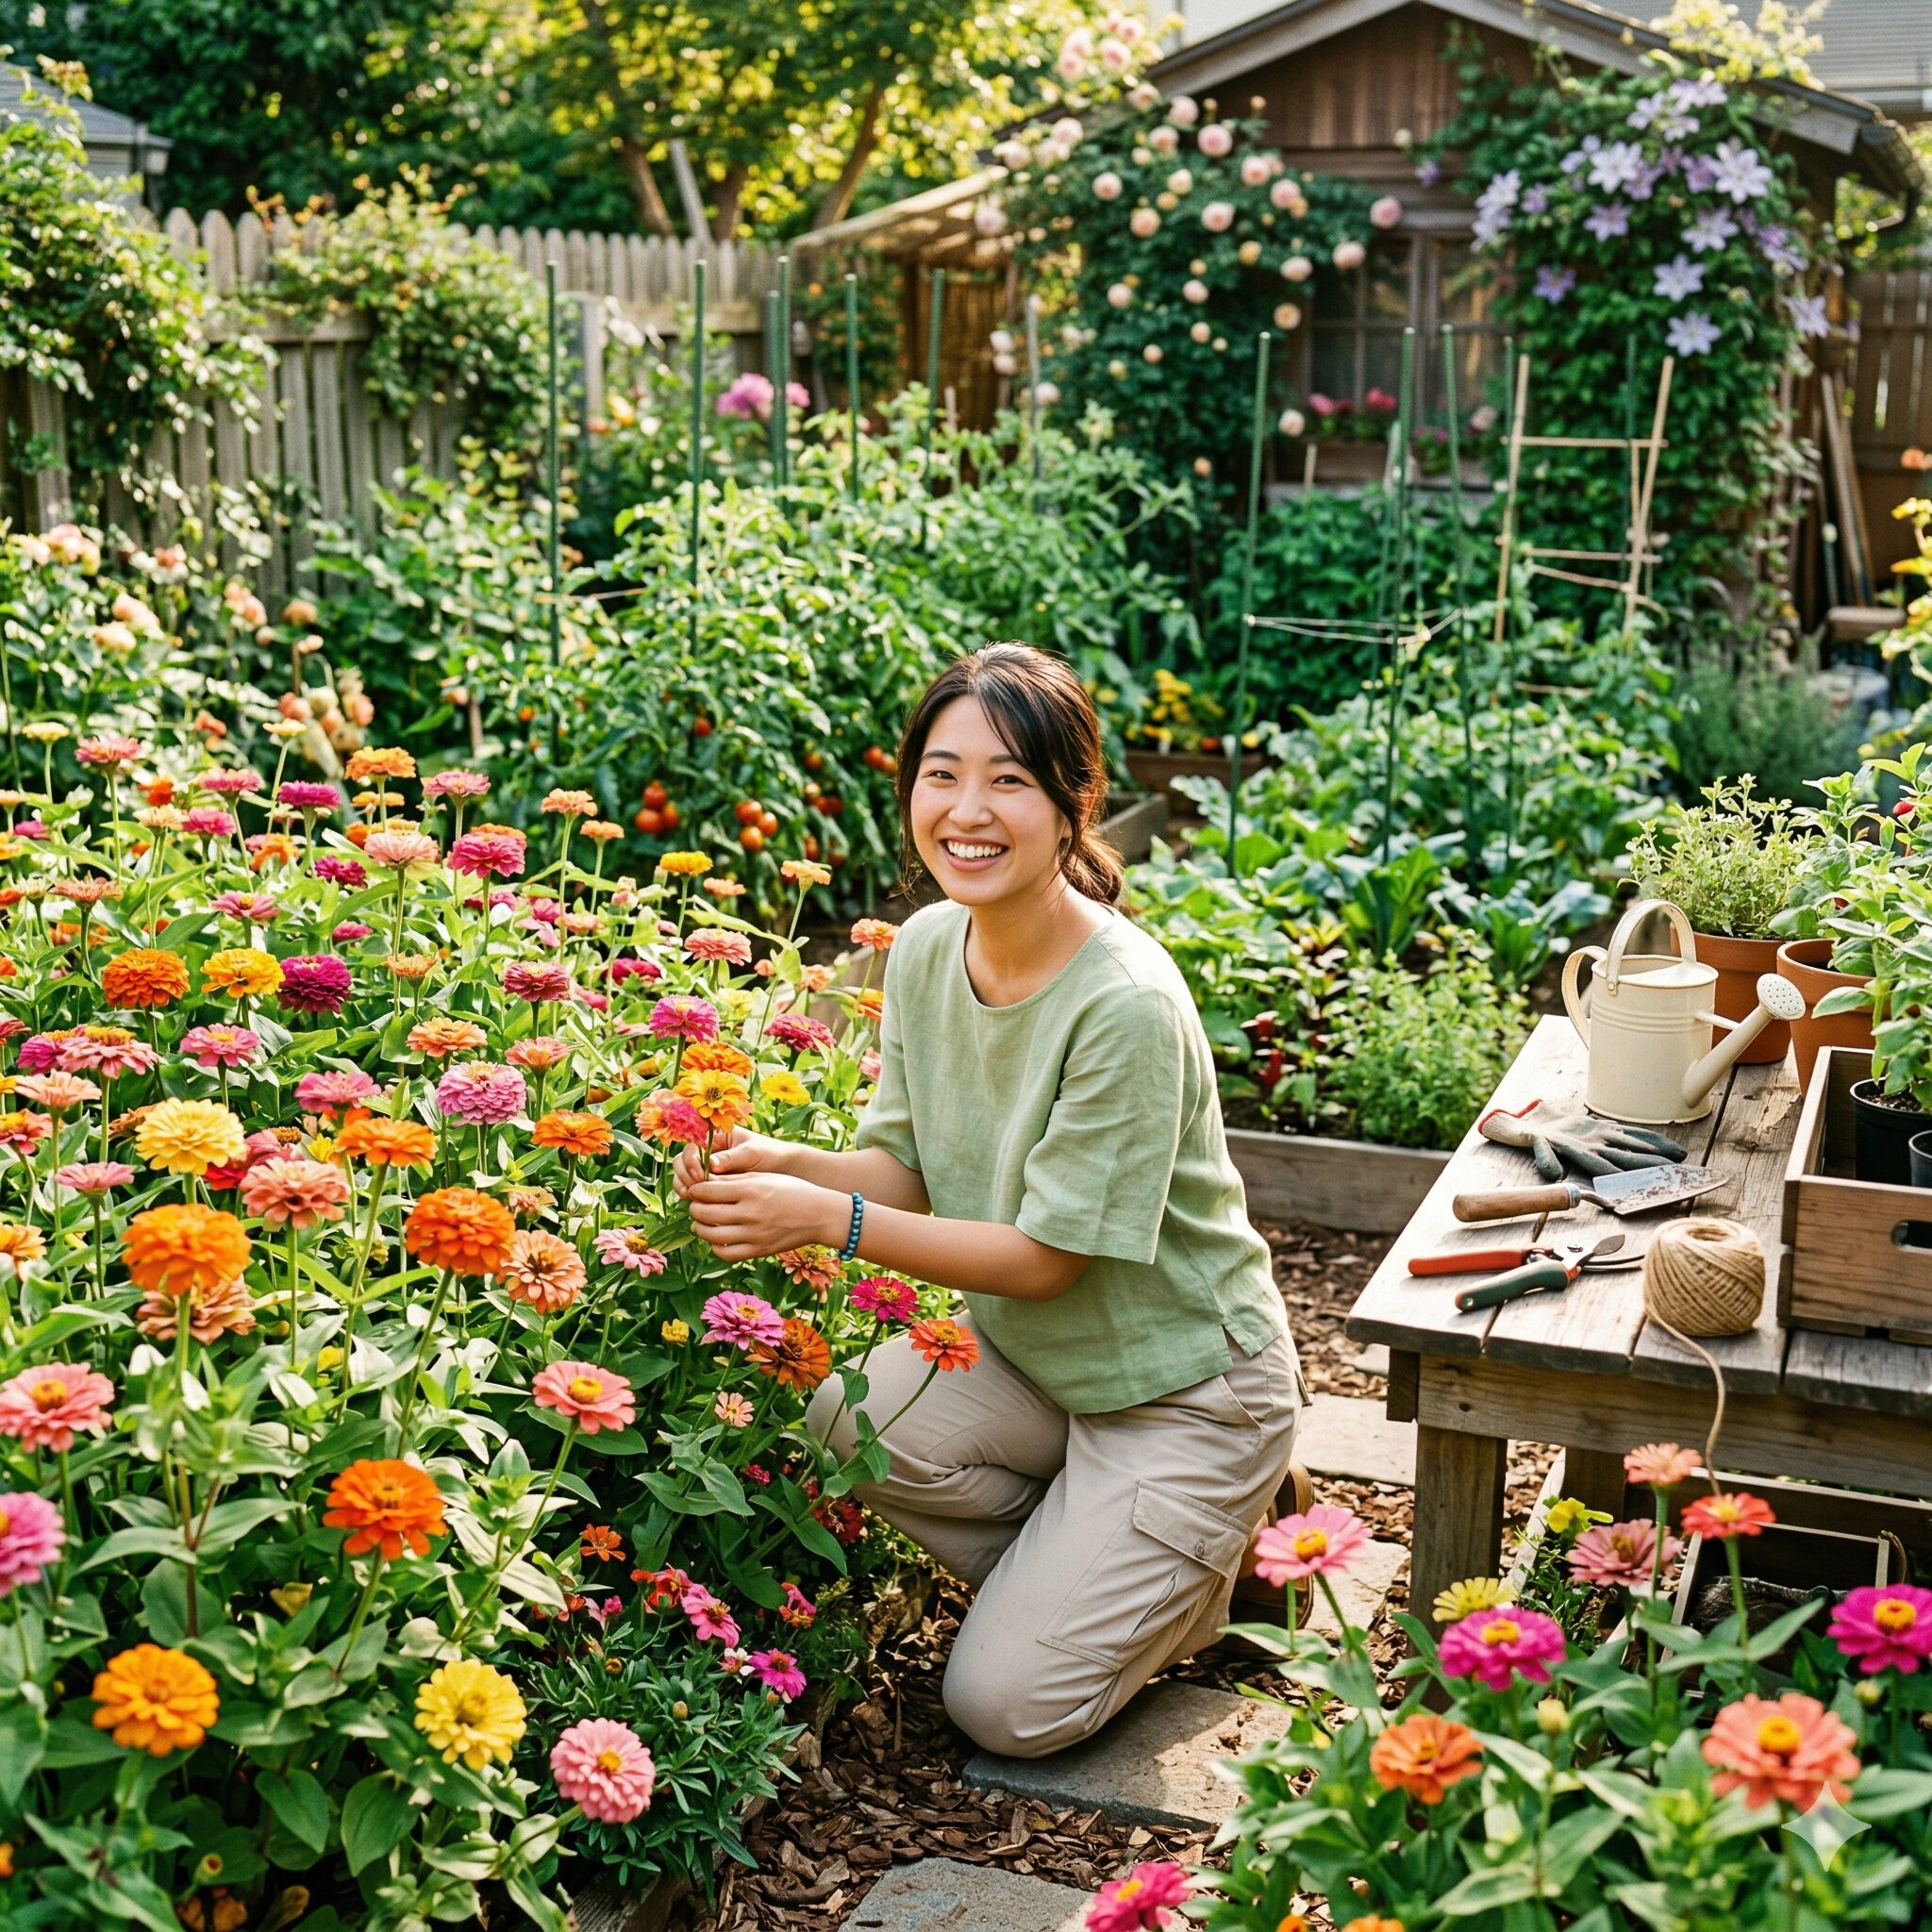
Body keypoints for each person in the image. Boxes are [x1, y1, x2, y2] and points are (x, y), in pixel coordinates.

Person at [675, 642, 1303, 1759]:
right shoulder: (923, 947)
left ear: (1072, 806)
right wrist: (781, 1159)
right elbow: (904, 1167)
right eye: (940, 773)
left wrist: (826, 1221)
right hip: (1041, 1368)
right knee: (837, 1405)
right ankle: (1128, 1554)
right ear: (909, 785)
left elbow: (1042, 1258)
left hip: (1185, 1389)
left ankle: (1190, 1564)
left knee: (1005, 1709)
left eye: (1008, 779)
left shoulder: (1122, 1006)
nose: (967, 809)